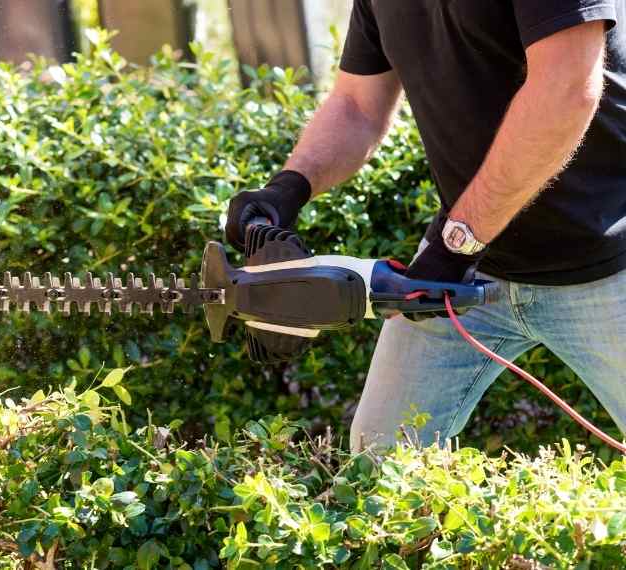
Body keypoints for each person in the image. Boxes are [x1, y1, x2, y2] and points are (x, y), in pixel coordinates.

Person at [225, 0, 626, 452]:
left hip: (608, 261)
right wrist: (289, 187)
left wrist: (457, 244)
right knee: (381, 458)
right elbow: (357, 106)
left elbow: (565, 91)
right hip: (464, 268)